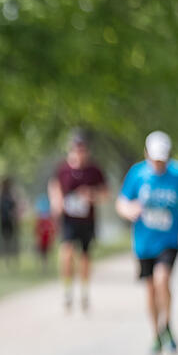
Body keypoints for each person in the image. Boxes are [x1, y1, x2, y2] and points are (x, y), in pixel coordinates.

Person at [116, 130, 178, 355]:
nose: (159, 163)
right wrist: (129, 210)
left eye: (163, 159)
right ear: (147, 154)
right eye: (155, 159)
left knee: (163, 279)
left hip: (169, 239)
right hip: (144, 242)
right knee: (150, 289)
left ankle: (167, 323)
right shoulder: (137, 174)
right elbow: (121, 202)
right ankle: (156, 334)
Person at [48, 131, 107, 311]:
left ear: (86, 151)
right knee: (66, 253)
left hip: (87, 220)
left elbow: (105, 193)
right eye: (76, 149)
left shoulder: (94, 170)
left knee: (85, 257)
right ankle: (67, 290)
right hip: (69, 219)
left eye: (82, 149)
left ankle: (84, 291)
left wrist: (92, 196)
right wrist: (56, 202)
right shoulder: (63, 169)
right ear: (71, 150)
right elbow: (54, 185)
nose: (79, 153)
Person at [0, 177, 20, 269]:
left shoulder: (9, 196)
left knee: (11, 242)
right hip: (4, 221)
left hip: (9, 222)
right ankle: (6, 261)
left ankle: (11, 260)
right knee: (5, 242)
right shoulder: (3, 196)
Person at [33, 195, 55, 274]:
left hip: (47, 241)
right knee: (39, 254)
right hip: (41, 241)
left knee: (46, 255)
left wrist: (52, 240)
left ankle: (45, 268)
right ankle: (39, 267)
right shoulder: (39, 222)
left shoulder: (49, 222)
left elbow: (52, 232)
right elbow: (36, 232)